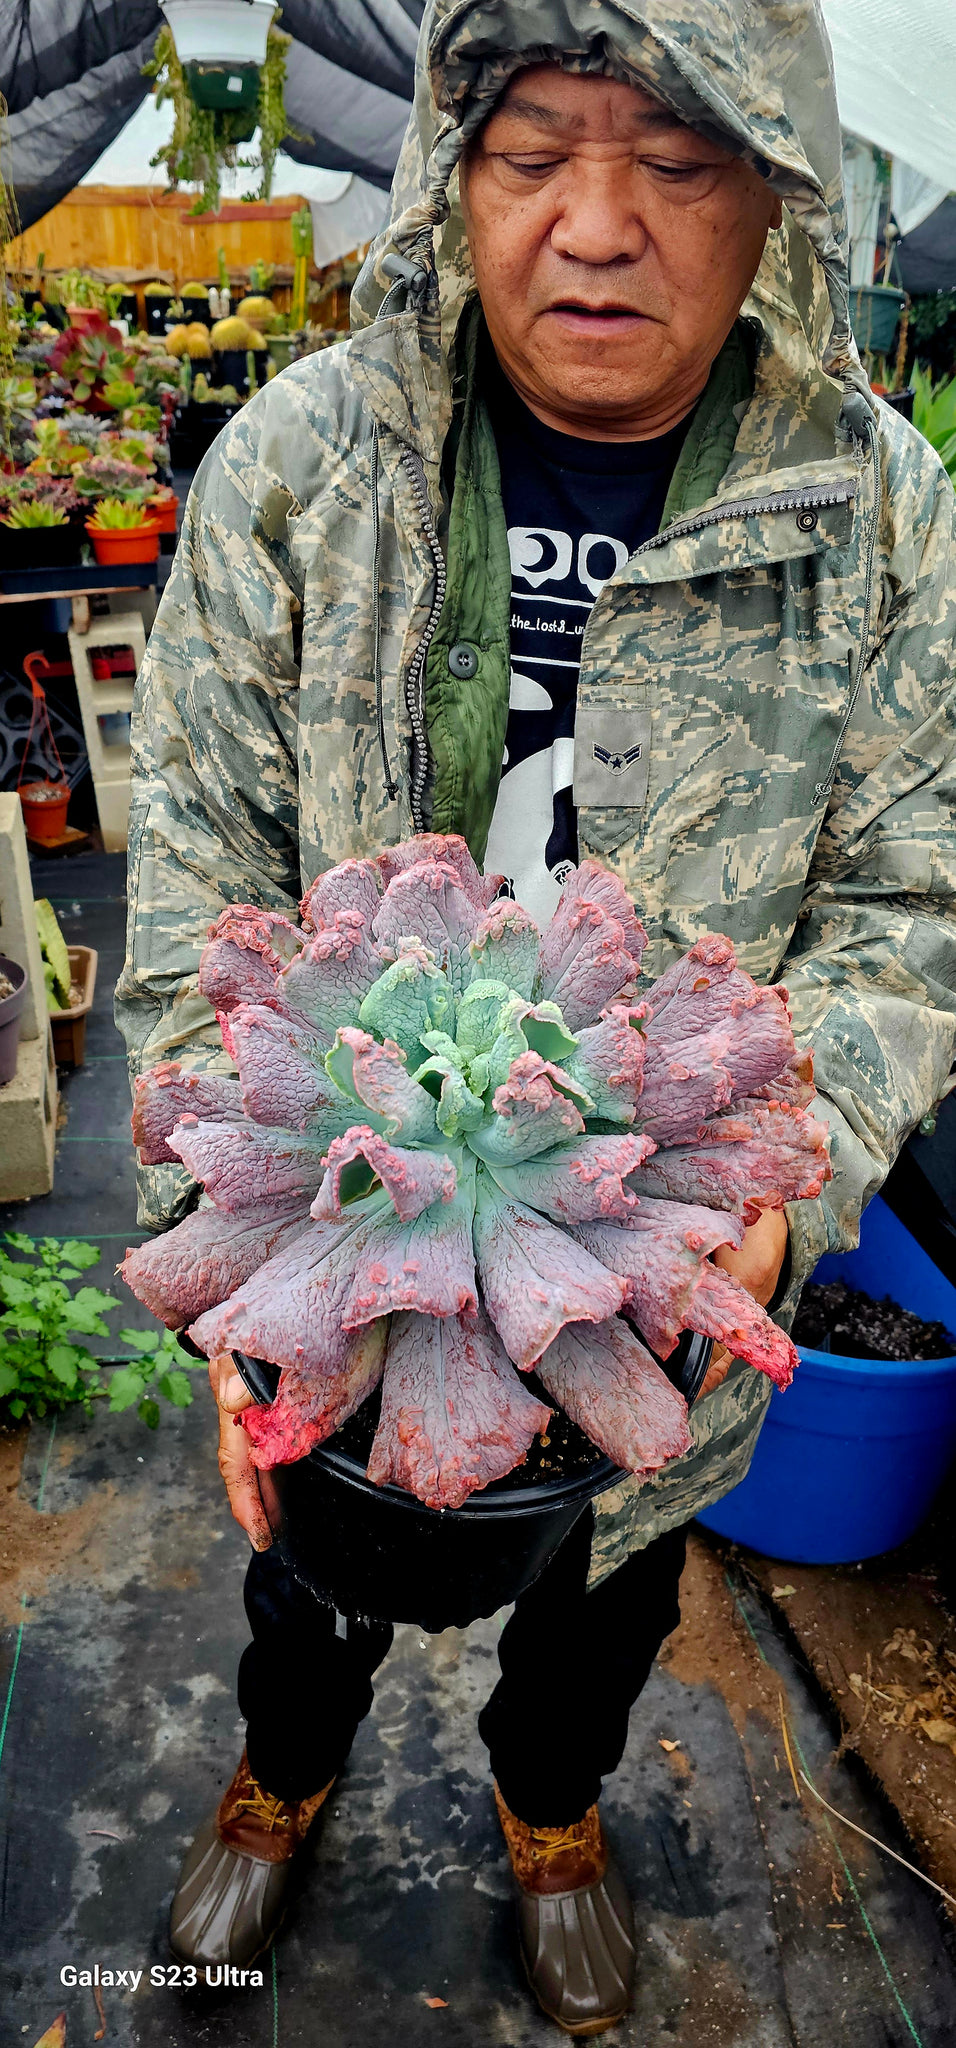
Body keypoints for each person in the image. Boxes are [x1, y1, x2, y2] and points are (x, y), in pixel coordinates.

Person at [116, 0, 956, 2033]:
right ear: (449, 179)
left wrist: (783, 1174)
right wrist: (250, 1271)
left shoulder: (883, 513)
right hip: (345, 1209)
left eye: (677, 166)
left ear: (778, 196)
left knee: (612, 1585)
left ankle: (550, 1809)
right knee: (305, 1585)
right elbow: (193, 893)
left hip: (655, 1249)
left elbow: (909, 911)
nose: (596, 227)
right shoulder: (308, 467)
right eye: (532, 154)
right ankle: (277, 1777)